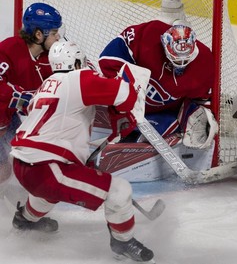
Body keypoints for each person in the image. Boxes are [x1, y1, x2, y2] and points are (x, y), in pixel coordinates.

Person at [9, 40, 154, 262]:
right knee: (118, 191)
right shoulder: (78, 78)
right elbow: (124, 95)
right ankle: (123, 243)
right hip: (47, 168)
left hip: (23, 165)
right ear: (77, 62)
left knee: (47, 192)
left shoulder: (45, 86)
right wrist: (132, 83)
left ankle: (25, 219)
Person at [98, 19, 218, 150]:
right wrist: (123, 90)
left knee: (161, 127)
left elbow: (201, 100)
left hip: (161, 114)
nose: (180, 66)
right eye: (175, 60)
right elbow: (109, 57)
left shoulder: (205, 64)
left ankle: (133, 141)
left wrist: (201, 115)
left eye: (185, 60)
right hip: (124, 102)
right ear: (164, 43)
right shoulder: (148, 34)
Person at [0, 2, 62, 187]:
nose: (58, 37)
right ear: (38, 35)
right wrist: (18, 96)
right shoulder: (10, 49)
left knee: (20, 155)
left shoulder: (46, 57)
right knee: (4, 169)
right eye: (53, 33)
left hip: (7, 118)